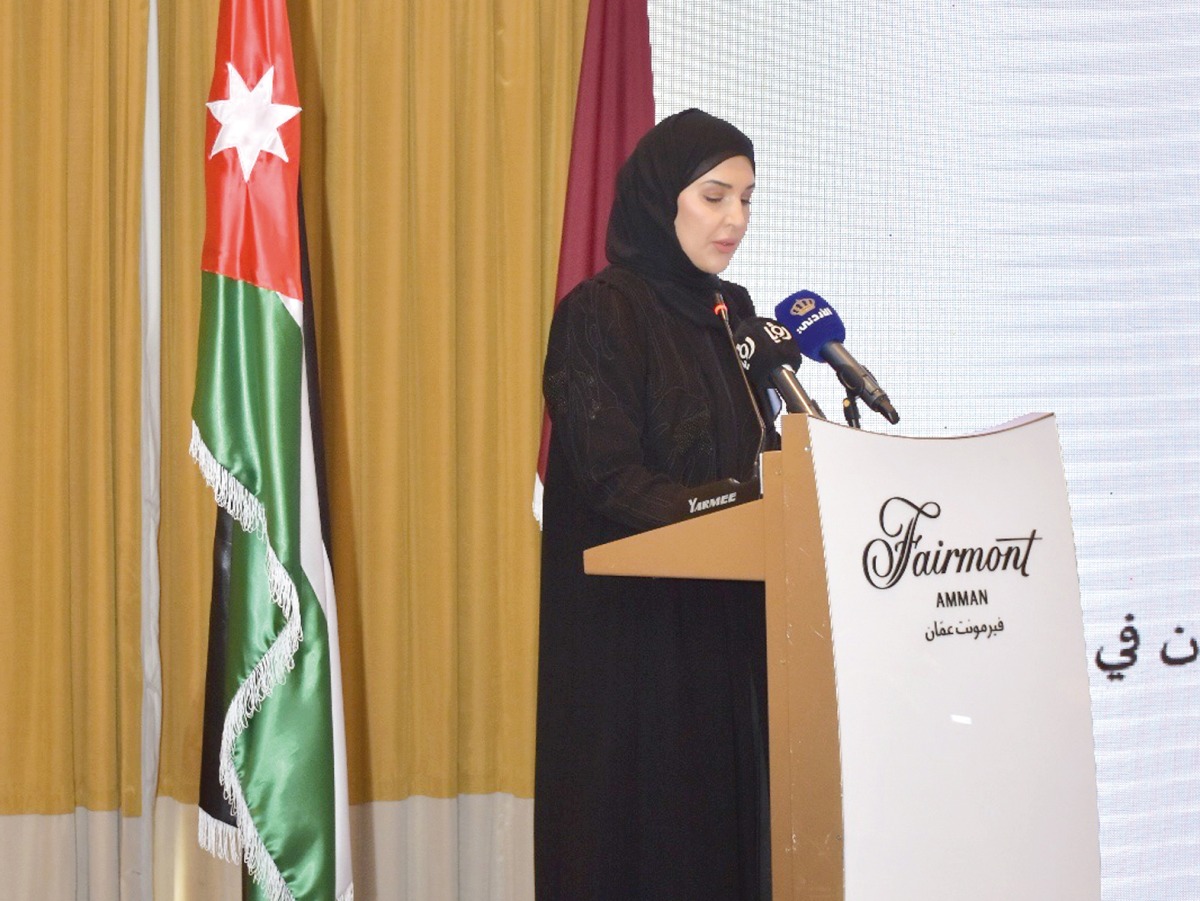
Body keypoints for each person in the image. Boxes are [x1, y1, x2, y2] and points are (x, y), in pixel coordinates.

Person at [536, 109, 777, 901]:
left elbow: (771, 457)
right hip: (634, 648)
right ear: (660, 200)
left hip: (728, 633)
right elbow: (611, 478)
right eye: (715, 196)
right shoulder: (601, 312)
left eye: (747, 198)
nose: (735, 219)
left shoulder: (733, 315)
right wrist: (726, 505)